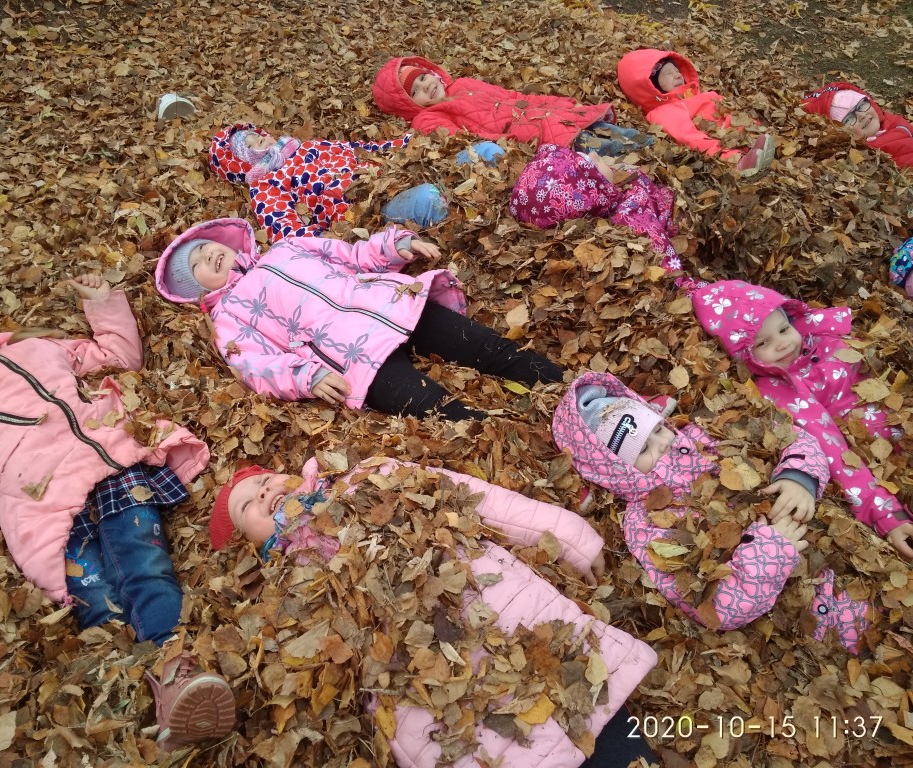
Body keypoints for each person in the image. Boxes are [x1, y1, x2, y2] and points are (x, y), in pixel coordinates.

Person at [0, 275, 236, 750]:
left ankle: (176, 667)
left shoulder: (36, 348)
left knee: (143, 562)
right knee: (95, 600)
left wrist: (103, 303)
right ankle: (131, 711)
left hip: (107, 468)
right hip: (41, 506)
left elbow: (117, 356)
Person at [209, 457, 660, 768]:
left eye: (265, 479)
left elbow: (479, 500)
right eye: (246, 505)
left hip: (508, 616)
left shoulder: (365, 477)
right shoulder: (287, 589)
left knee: (595, 712)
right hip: (434, 702)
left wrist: (568, 536)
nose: (263, 492)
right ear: (250, 546)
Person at [552, 371, 872, 653]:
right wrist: (772, 550)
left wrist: (798, 478)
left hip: (852, 558)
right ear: (616, 471)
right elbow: (714, 606)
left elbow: (788, 434)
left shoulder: (706, 436)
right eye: (643, 449)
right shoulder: (646, 524)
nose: (663, 444)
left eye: (658, 429)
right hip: (811, 626)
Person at [155, 218, 563, 420]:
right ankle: (499, 430)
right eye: (197, 265)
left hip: (389, 305)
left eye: (205, 248)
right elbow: (255, 365)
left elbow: (351, 255)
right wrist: (306, 376)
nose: (208, 255)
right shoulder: (229, 317)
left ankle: (559, 385)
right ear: (196, 291)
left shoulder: (285, 248)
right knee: (434, 407)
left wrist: (396, 246)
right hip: (352, 359)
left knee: (484, 345)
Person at [691, 279, 913, 562]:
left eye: (784, 329)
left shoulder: (825, 337)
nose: (782, 343)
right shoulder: (780, 388)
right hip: (889, 460)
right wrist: (883, 512)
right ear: (743, 355)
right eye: (763, 343)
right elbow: (831, 448)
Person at [209, 123, 448, 243]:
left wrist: (405, 144)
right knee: (430, 198)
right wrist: (330, 242)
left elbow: (358, 149)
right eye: (250, 146)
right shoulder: (265, 184)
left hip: (387, 177)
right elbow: (285, 230)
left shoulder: (307, 146)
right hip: (363, 214)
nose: (259, 142)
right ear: (242, 163)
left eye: (257, 136)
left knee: (469, 155)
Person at [372, 56, 652, 153]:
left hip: (545, 115)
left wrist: (560, 103)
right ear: (408, 105)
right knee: (598, 145)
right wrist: (510, 144)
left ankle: (647, 143)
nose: (426, 86)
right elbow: (463, 142)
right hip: (529, 135)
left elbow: (514, 97)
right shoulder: (427, 118)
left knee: (604, 128)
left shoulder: (464, 84)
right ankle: (638, 151)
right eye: (416, 92)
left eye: (423, 78)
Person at [509, 144, 682, 272]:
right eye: (592, 163)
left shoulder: (605, 195)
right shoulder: (629, 218)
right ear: (591, 197)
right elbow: (665, 262)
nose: (593, 153)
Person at [616, 49, 776, 176]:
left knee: (741, 122)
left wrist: (751, 127)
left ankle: (757, 141)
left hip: (734, 132)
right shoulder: (664, 111)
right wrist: (727, 155)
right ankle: (739, 162)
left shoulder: (697, 95)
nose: (677, 75)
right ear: (652, 85)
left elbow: (730, 111)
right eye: (668, 73)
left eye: (677, 71)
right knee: (703, 141)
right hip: (719, 144)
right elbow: (688, 137)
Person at [801, 82, 913, 169]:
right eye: (849, 118)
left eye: (861, 106)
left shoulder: (894, 122)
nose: (861, 115)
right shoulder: (865, 156)